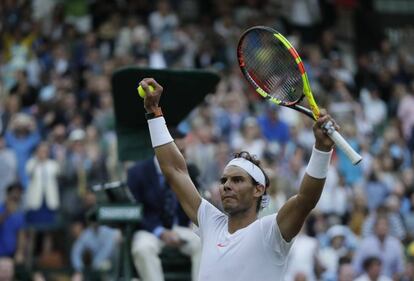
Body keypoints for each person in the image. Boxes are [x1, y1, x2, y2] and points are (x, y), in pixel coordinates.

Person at [139, 77, 336, 280]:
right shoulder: (210, 222)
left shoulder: (271, 231)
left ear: (258, 189)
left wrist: (322, 149)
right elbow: (174, 170)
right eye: (224, 181)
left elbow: (305, 199)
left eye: (237, 180)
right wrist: (154, 113)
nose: (226, 186)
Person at [128, 128, 201, 281]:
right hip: (150, 230)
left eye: (184, 151)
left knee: (203, 243)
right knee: (142, 249)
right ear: (164, 150)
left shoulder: (188, 171)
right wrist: (160, 232)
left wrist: (193, 222)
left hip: (179, 228)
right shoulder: (138, 172)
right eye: (180, 151)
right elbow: (135, 211)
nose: (184, 156)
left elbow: (193, 205)